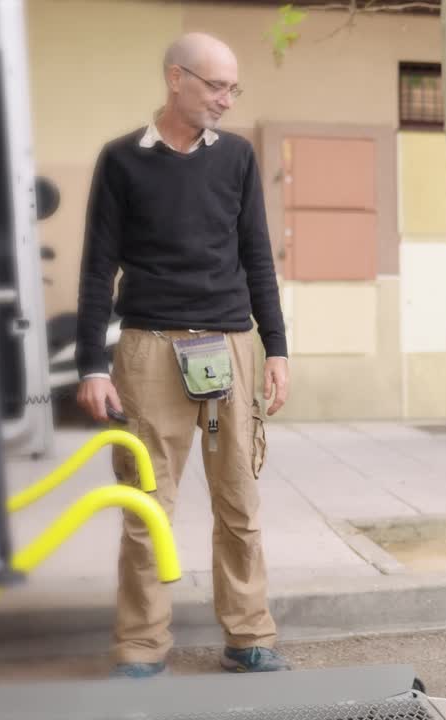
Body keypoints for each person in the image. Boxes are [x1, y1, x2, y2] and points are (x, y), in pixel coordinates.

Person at [76, 33, 290, 678]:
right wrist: (91, 363)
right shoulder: (121, 160)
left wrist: (275, 349)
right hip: (148, 351)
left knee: (240, 505)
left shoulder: (238, 159)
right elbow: (96, 268)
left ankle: (249, 634)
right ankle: (143, 644)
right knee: (147, 505)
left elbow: (257, 254)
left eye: (234, 89)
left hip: (228, 345)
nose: (227, 100)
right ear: (176, 79)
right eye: (215, 86)